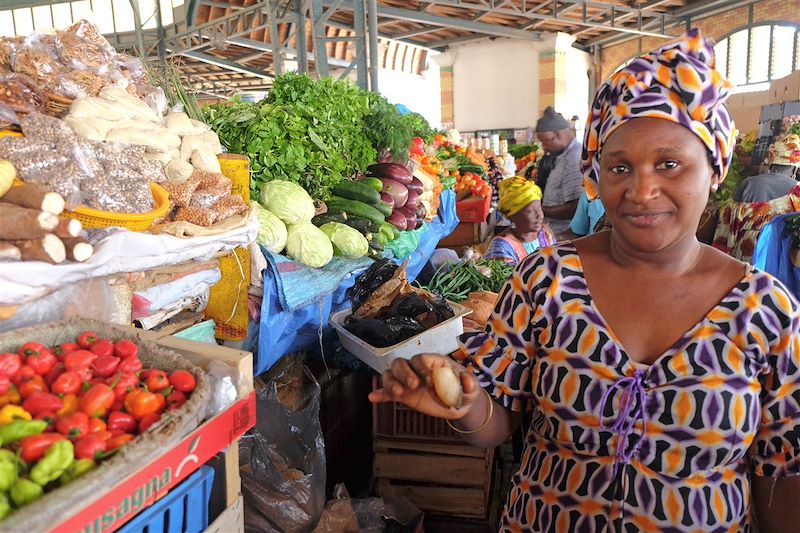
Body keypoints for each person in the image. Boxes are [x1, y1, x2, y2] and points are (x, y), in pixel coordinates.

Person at [370, 30, 800, 532]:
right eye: (619, 166)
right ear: (597, 172)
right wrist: (465, 405)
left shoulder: (765, 310)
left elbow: (782, 476)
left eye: (669, 163)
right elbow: (497, 422)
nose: (641, 191)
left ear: (714, 168)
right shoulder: (547, 279)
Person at [712, 132, 800, 263]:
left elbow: (726, 224)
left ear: (771, 163)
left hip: (742, 255)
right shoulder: (797, 193)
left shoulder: (748, 183)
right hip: (776, 259)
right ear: (795, 170)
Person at [484, 177, 556, 267]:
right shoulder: (502, 248)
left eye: (539, 208)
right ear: (513, 216)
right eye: (530, 211)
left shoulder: (545, 234)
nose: (539, 215)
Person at [535, 107, 583, 234]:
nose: (544, 148)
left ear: (557, 135)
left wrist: (537, 210)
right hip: (551, 230)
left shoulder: (574, 158)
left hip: (562, 233)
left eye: (544, 142)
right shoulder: (563, 155)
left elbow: (574, 208)